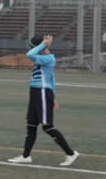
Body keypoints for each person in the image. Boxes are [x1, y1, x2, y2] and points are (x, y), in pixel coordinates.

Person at [8, 34, 80, 166]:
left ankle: (70, 153)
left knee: (47, 126)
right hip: (35, 92)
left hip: (42, 91)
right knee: (31, 125)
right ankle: (26, 156)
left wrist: (43, 44)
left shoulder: (48, 58)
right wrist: (54, 97)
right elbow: (52, 78)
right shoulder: (41, 57)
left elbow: (30, 54)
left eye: (33, 47)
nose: (32, 49)